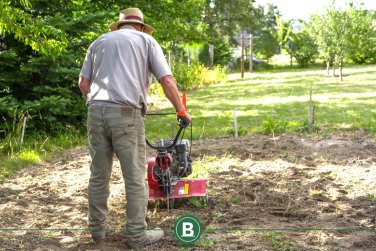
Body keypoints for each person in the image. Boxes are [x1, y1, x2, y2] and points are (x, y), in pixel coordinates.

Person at [78, 7, 191, 248]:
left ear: (120, 25)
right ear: (140, 26)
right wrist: (181, 110)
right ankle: (137, 235)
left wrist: (97, 105)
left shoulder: (99, 42)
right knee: (135, 178)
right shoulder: (146, 41)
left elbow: (83, 83)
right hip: (126, 114)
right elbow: (167, 80)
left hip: (95, 112)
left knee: (98, 176)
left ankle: (97, 232)